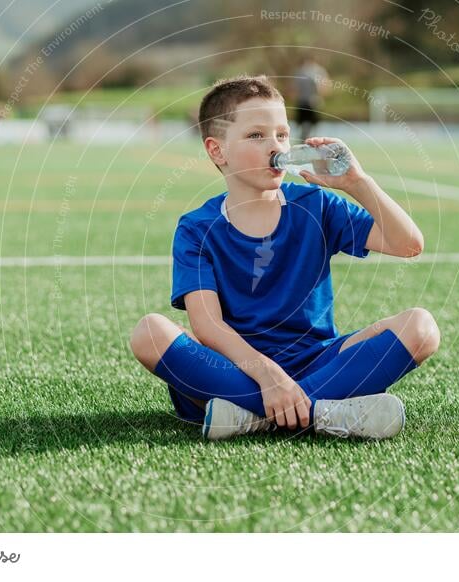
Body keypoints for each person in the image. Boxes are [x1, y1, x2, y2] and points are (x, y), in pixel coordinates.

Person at [130, 75, 440, 441]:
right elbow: (208, 326)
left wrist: (357, 182)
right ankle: (324, 413)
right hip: (237, 368)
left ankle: (256, 416)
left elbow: (409, 244)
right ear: (217, 151)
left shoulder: (317, 205)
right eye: (256, 135)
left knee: (421, 328)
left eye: (281, 134)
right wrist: (268, 375)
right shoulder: (197, 228)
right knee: (149, 333)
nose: (275, 146)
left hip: (318, 360)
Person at [293, 57, 329, 142]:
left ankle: (304, 143)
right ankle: (311, 144)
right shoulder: (319, 71)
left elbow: (294, 90)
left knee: (305, 128)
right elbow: (324, 88)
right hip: (312, 103)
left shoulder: (299, 72)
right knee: (312, 129)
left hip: (303, 103)